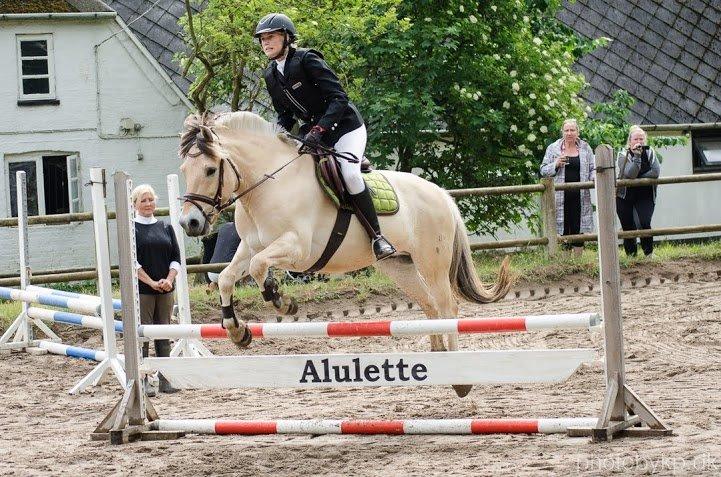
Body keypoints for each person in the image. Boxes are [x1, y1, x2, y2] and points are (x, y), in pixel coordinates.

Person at [254, 12, 395, 260]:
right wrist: (278, 136)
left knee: (350, 175)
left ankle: (378, 237)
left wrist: (319, 130)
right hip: (313, 133)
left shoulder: (307, 59)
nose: (266, 43)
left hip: (345, 127)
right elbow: (285, 114)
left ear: (287, 37)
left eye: (271, 37)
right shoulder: (270, 75)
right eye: (263, 39)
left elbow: (339, 98)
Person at [131, 184, 180, 395]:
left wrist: (169, 279)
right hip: (144, 290)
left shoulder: (166, 227)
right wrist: (151, 282)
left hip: (166, 289)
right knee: (143, 334)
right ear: (134, 205)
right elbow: (133, 262)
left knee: (164, 332)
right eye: (143, 200)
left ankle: (165, 378)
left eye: (151, 199)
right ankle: (143, 379)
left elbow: (176, 258)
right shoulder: (131, 229)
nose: (148, 204)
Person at [540, 119, 596, 256]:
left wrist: (593, 177)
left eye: (572, 130)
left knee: (579, 227)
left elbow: (593, 168)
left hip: (581, 195)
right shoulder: (553, 148)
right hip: (560, 197)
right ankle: (566, 262)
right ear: (562, 132)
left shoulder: (585, 147)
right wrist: (556, 164)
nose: (569, 133)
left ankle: (578, 261)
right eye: (566, 130)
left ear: (578, 132)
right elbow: (543, 170)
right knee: (564, 227)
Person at [616, 125, 660, 257]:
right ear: (630, 142)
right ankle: (631, 256)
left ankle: (648, 253)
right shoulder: (622, 154)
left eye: (641, 139)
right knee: (628, 225)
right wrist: (636, 157)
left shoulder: (650, 152)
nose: (639, 142)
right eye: (636, 139)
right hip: (624, 196)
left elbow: (656, 172)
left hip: (645, 195)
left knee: (644, 222)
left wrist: (639, 178)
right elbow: (630, 174)